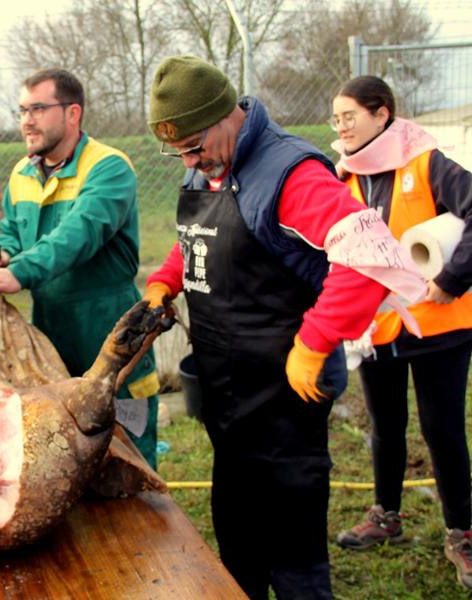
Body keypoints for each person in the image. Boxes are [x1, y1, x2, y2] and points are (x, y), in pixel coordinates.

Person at [142, 56, 425, 599]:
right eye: (179, 151)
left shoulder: (292, 174)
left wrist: (315, 340)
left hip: (282, 399)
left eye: (196, 145)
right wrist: (165, 280)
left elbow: (367, 257)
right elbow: (200, 238)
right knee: (238, 539)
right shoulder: (206, 161)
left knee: (292, 552)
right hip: (227, 395)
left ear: (227, 115)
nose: (190, 161)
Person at [0, 68, 161, 468]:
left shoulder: (109, 167)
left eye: (38, 108)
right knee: (65, 453)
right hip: (50, 335)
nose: (26, 120)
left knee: (126, 458)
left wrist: (19, 271)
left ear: (73, 114)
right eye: (22, 110)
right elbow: (13, 236)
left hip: (109, 326)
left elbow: (80, 233)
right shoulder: (22, 174)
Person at [330, 75, 472, 590]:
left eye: (349, 115)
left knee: (443, 430)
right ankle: (385, 516)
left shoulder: (428, 162)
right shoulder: (344, 175)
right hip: (377, 327)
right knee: (385, 428)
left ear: (382, 114)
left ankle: (462, 532)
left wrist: (450, 280)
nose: (340, 126)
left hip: (441, 324)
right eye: (336, 118)